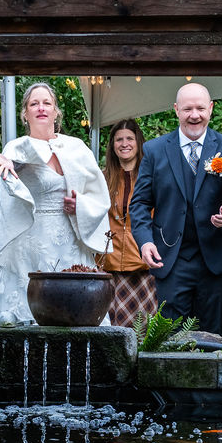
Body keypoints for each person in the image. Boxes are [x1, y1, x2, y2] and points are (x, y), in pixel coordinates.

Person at [129, 82, 222, 344]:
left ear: (211, 109)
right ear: (176, 110)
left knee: (215, 336)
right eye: (188, 109)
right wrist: (145, 241)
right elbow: (139, 203)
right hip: (171, 257)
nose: (195, 115)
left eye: (201, 108)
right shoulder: (154, 150)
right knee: (171, 336)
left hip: (215, 258)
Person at [0, 82, 111, 326]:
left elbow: (99, 195)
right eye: (34, 103)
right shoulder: (16, 147)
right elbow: (11, 175)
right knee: (29, 314)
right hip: (30, 241)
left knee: (76, 310)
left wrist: (80, 205)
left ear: (55, 111)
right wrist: (10, 167)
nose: (41, 108)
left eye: (47, 103)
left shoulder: (77, 148)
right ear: (25, 113)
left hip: (70, 241)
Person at [101, 119, 158, 327]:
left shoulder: (152, 178)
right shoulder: (102, 178)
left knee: (141, 333)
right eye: (119, 139)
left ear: (138, 142)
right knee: (110, 332)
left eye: (129, 138)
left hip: (142, 267)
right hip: (109, 267)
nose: (124, 144)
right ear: (113, 145)